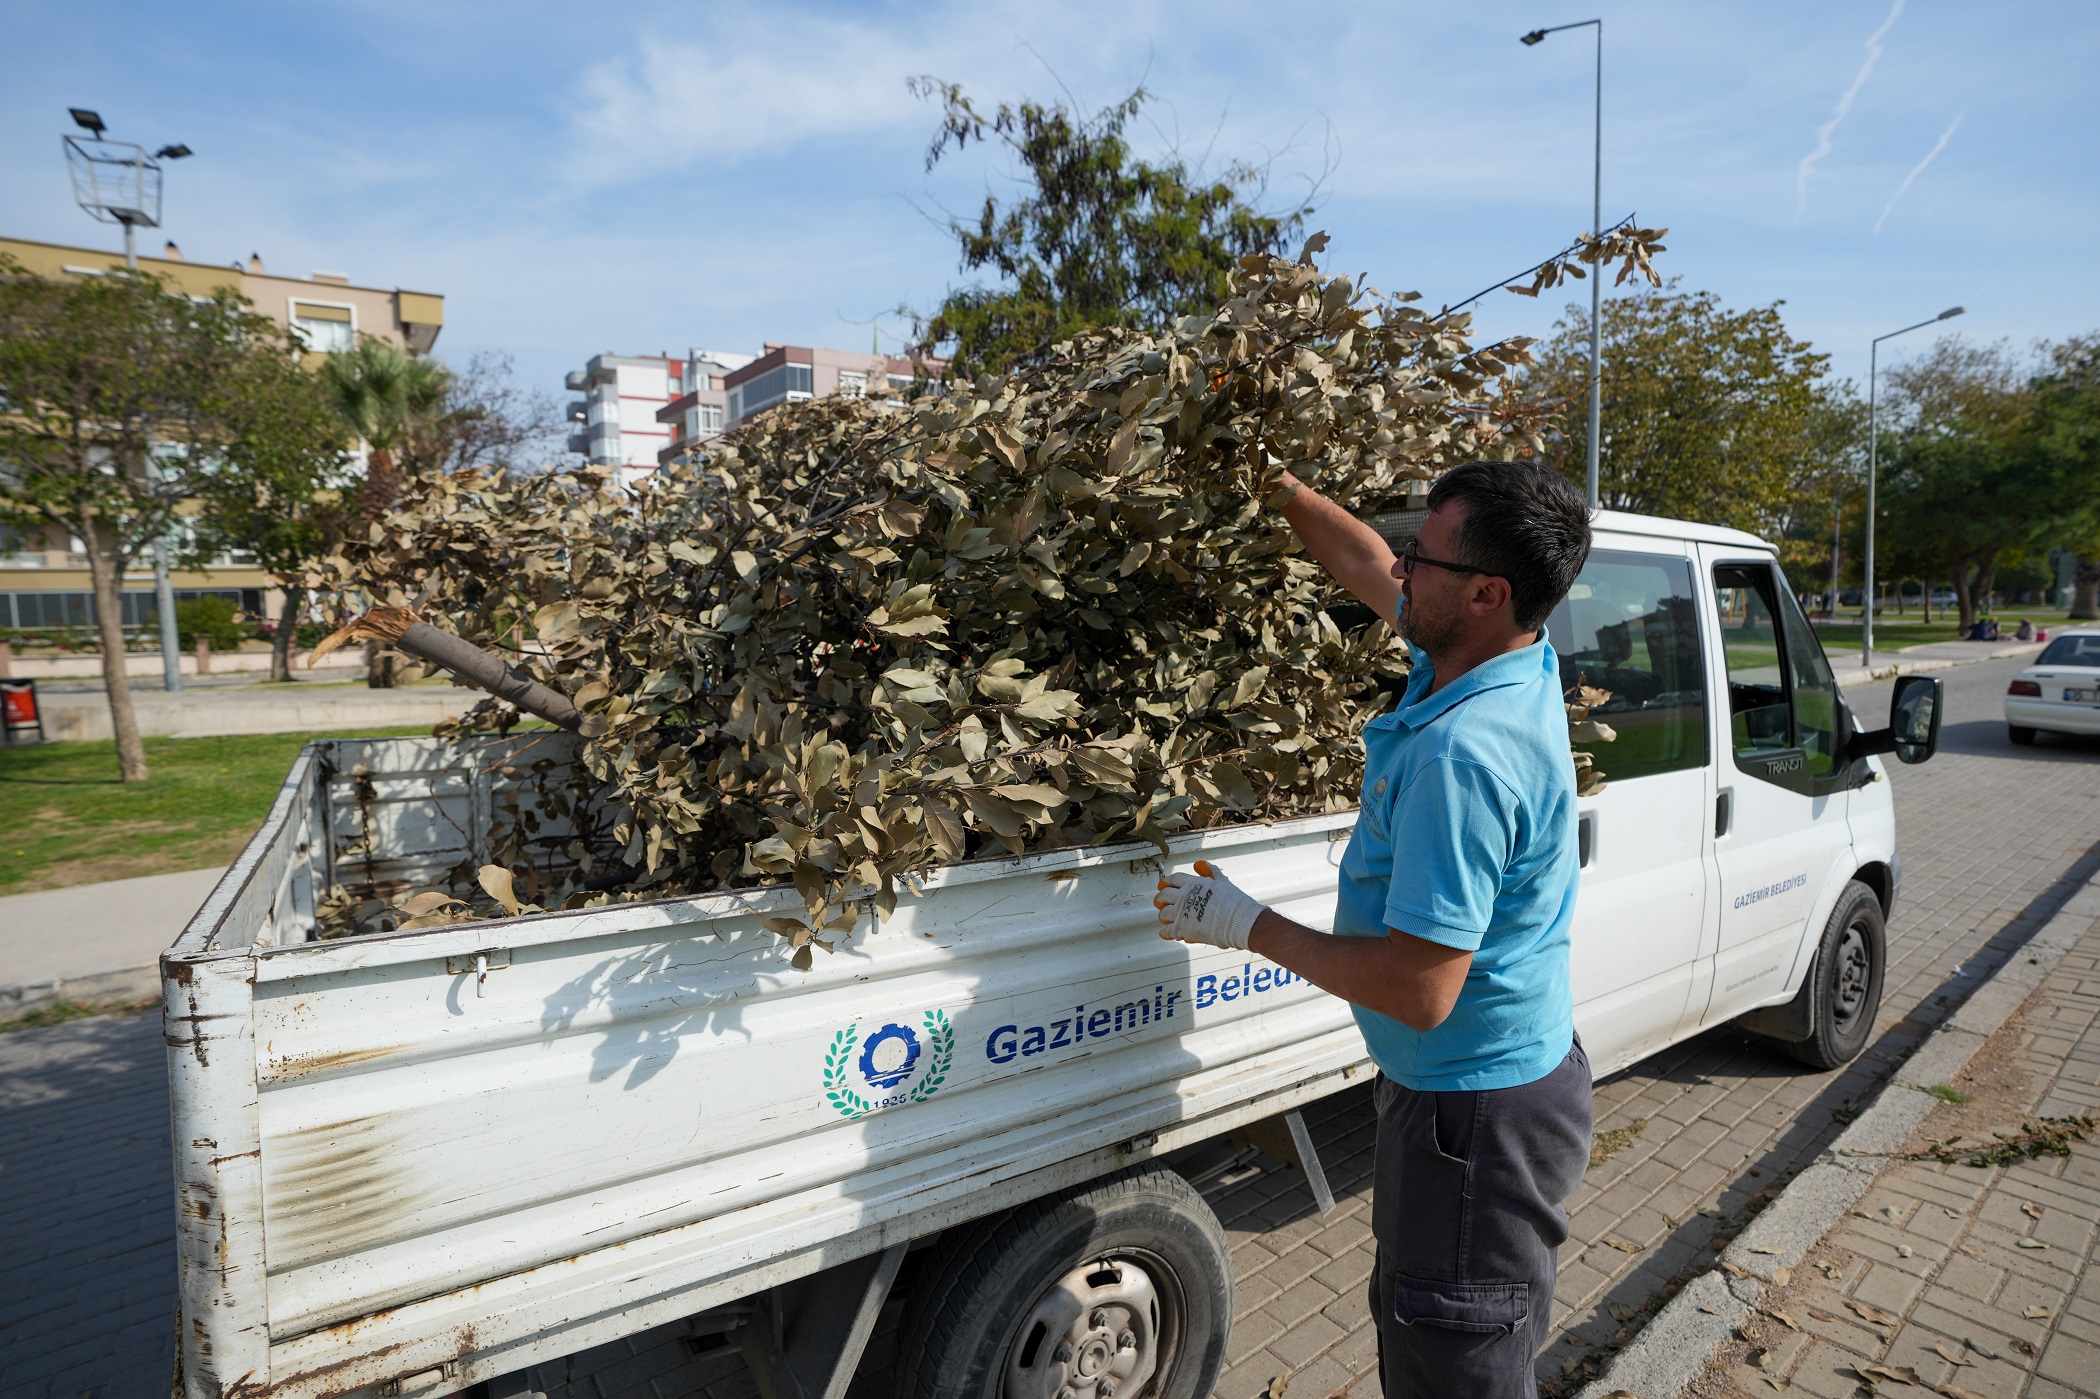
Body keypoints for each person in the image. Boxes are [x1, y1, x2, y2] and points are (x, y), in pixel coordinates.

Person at [1154, 460, 1594, 1399]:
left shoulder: (1464, 756)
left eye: (1420, 559)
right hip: (1482, 1093)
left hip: (1473, 1123)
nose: (1400, 569)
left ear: (1485, 592)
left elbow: (1420, 990)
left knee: (1454, 1360)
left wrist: (1246, 924)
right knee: (1433, 1332)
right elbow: (1363, 563)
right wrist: (1278, 485)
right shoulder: (1493, 655)